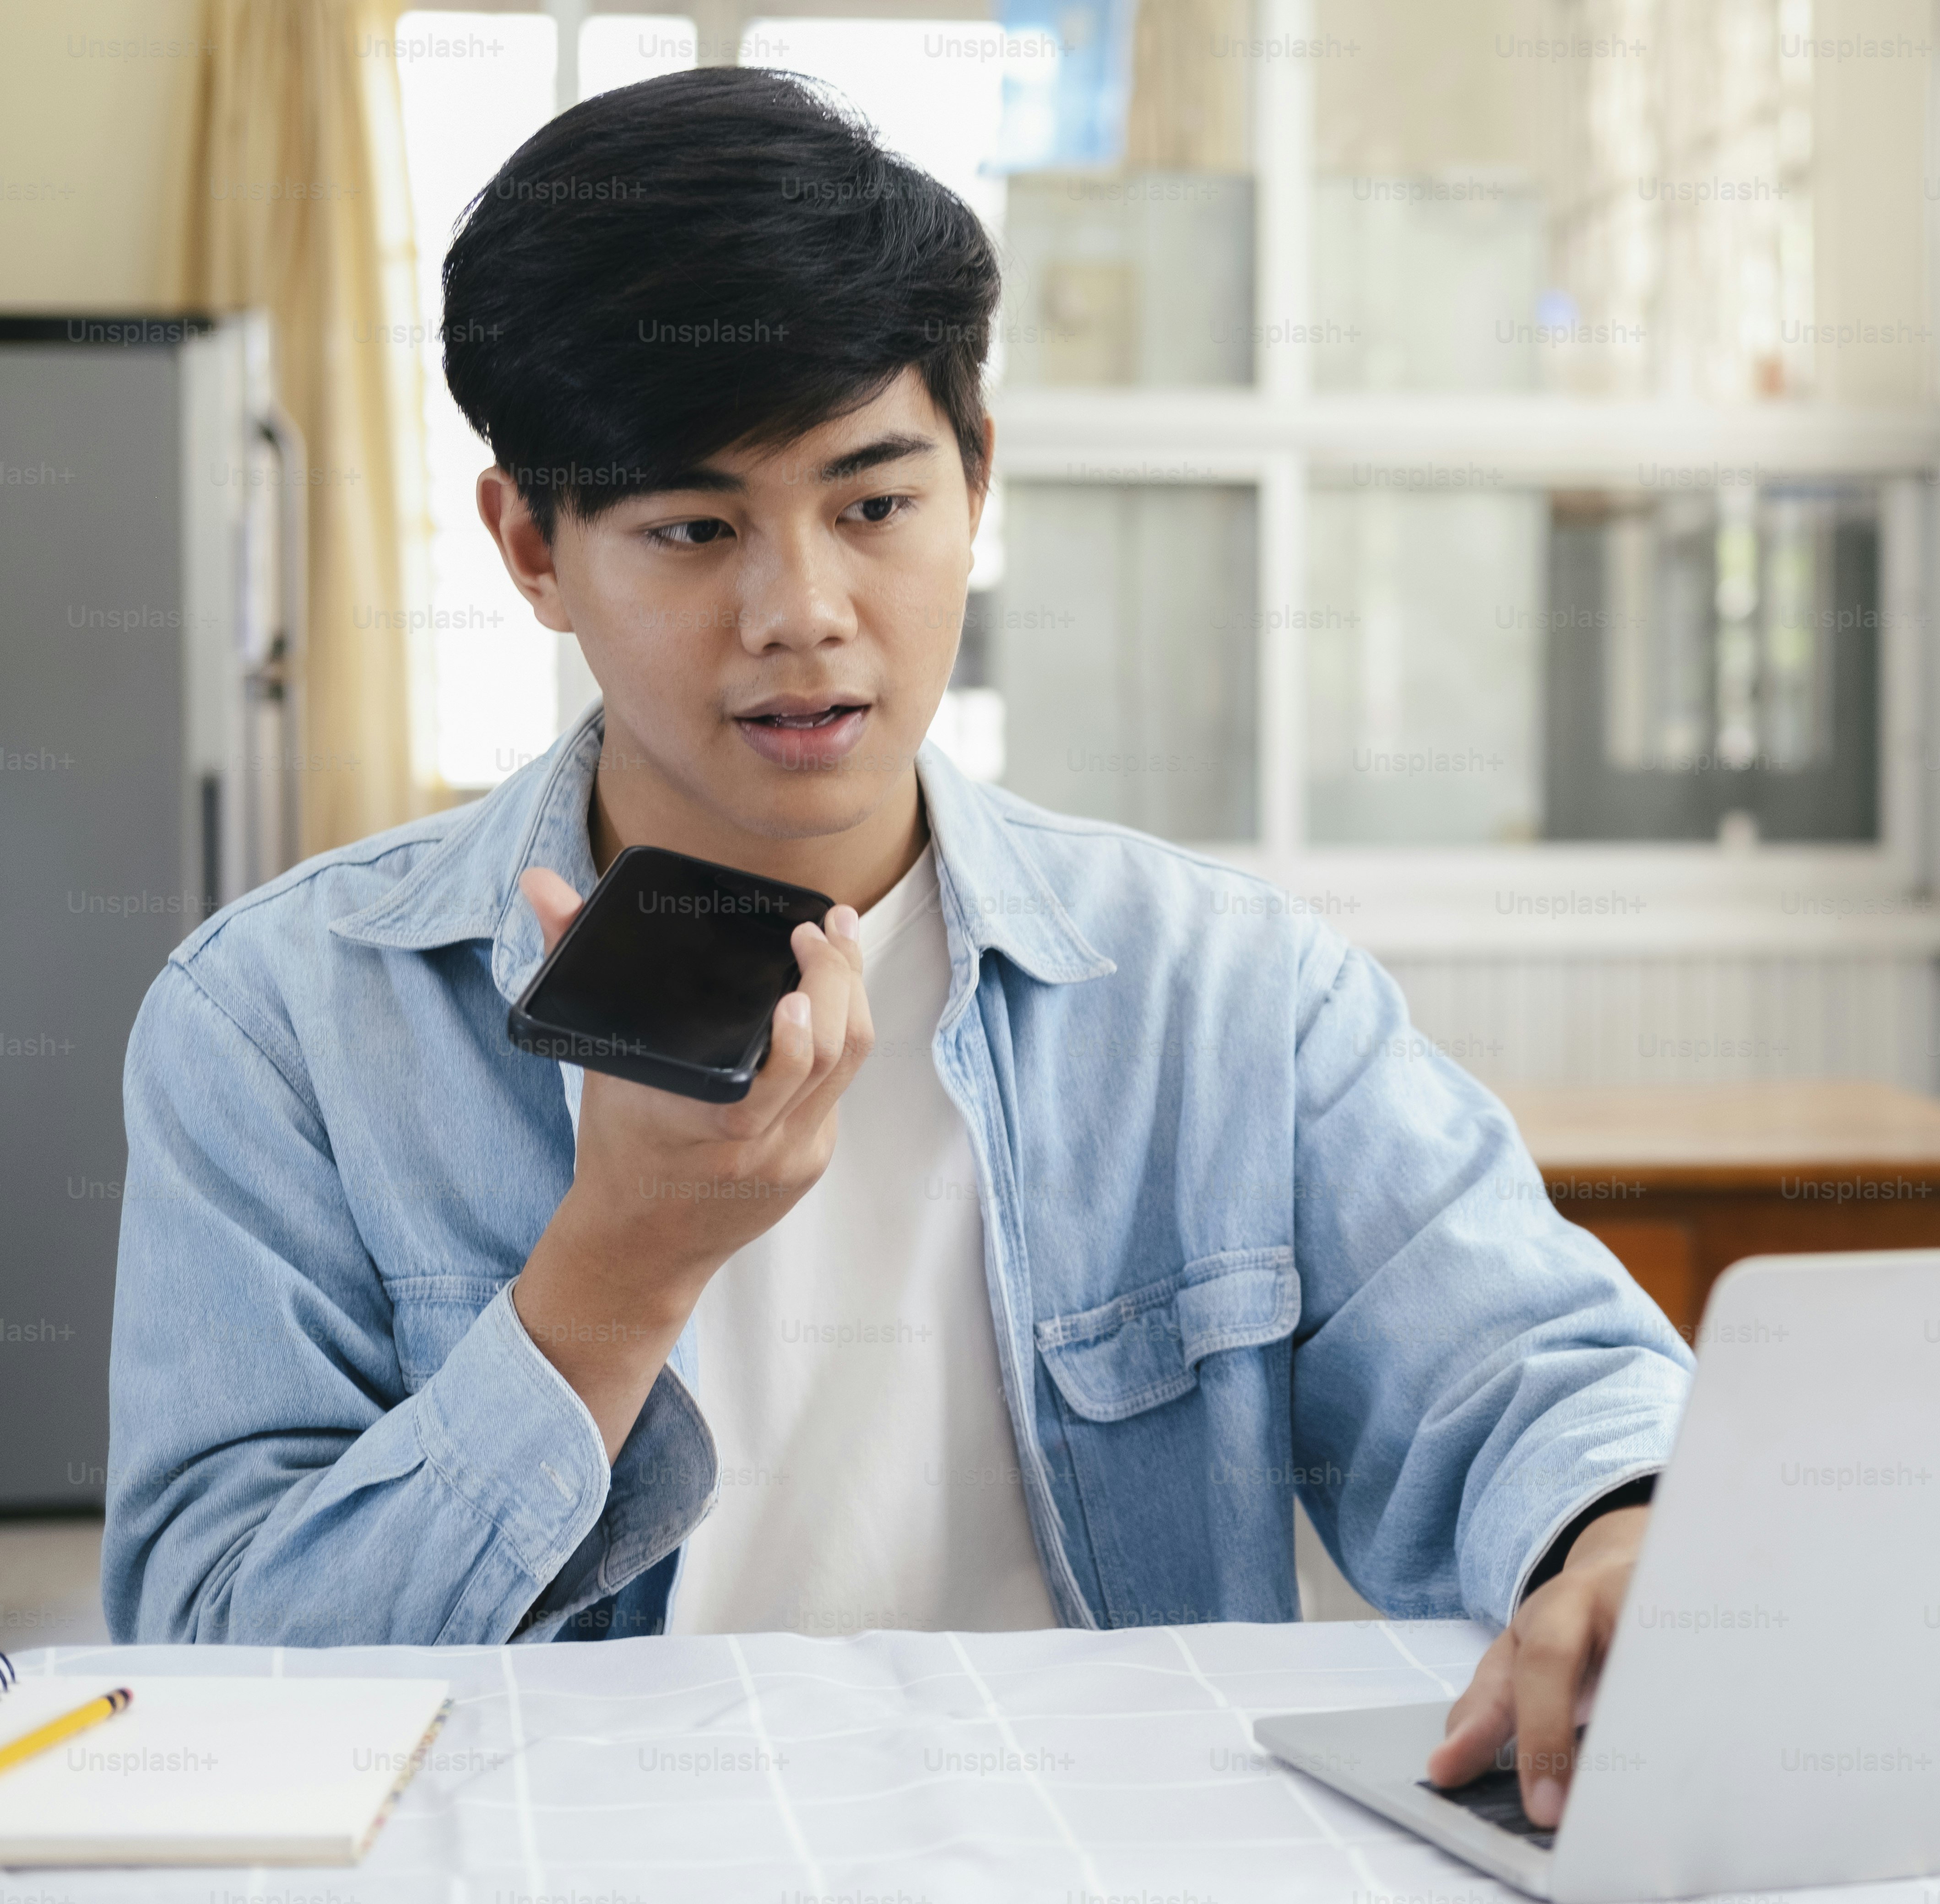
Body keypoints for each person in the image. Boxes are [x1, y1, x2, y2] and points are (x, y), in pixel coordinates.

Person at [100, 67, 1688, 1829]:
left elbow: (1530, 1372)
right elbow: (208, 1672)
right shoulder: (282, 1024)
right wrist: (610, 1281)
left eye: (874, 503)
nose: (805, 612)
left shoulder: (1222, 990)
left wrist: (1618, 1534)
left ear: (977, 478)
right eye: (696, 528)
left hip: (1116, 1855)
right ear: (534, 546)